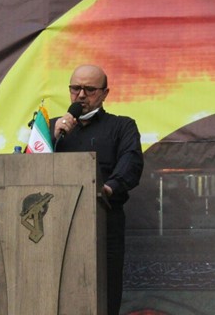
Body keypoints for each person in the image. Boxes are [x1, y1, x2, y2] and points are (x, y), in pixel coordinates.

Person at [50, 64, 144, 315]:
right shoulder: (51, 128)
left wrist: (107, 190)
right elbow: (27, 166)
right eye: (75, 88)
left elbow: (131, 163)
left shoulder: (122, 126)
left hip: (103, 222)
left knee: (104, 292)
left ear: (104, 93)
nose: (81, 95)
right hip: (55, 225)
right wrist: (53, 137)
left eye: (90, 90)